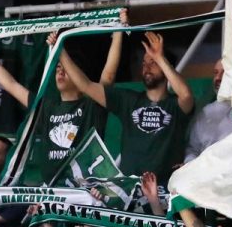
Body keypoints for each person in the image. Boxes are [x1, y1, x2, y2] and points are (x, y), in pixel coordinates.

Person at [0, 25, 123, 186]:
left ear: (79, 75)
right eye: (58, 67)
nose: (60, 72)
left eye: (66, 69)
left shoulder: (92, 105)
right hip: (50, 189)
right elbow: (10, 84)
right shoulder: (45, 107)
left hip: (83, 189)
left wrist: (118, 32)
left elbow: (108, 76)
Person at [62, 31, 195, 181]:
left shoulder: (175, 105)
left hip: (165, 187)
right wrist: (60, 51)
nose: (146, 67)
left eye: (153, 63)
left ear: (166, 67)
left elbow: (186, 95)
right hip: (130, 187)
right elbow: (86, 86)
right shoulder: (128, 100)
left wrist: (160, 58)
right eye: (144, 63)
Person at [184, 60, 232, 163]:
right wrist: (191, 164)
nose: (218, 78)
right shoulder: (205, 112)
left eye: (224, 73)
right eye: (215, 73)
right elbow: (192, 149)